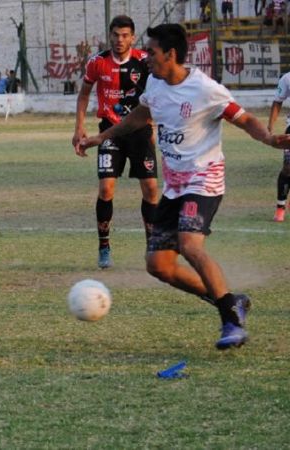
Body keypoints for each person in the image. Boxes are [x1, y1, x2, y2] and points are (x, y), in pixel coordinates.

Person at [77, 23, 290, 349]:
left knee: (190, 246)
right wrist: (100, 137)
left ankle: (231, 322)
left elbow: (242, 117)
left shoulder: (204, 88)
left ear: (171, 54)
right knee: (159, 266)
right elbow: (141, 115)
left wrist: (270, 138)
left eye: (152, 51)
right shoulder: (155, 83)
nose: (146, 57)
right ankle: (230, 300)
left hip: (204, 179)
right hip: (175, 186)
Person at [72, 15, 159, 269]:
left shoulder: (145, 61)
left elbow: (156, 95)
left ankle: (152, 248)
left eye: (125, 35)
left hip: (140, 130)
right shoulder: (97, 62)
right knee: (106, 189)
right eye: (115, 35)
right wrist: (79, 127)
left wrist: (154, 124)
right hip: (109, 131)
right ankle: (104, 246)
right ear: (109, 36)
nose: (119, 40)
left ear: (132, 37)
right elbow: (84, 95)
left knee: (151, 189)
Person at [268, 70, 290, 221]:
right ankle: (280, 207)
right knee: (288, 167)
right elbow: (277, 102)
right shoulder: (287, 78)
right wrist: (270, 126)